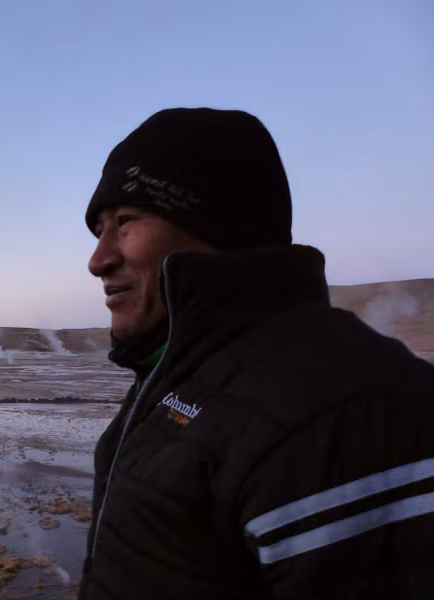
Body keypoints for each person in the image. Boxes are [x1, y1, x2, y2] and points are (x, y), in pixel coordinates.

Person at [78, 107, 434, 599]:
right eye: (99, 229)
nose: (98, 260)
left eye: (126, 220)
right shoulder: (177, 376)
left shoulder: (343, 410)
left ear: (219, 224)